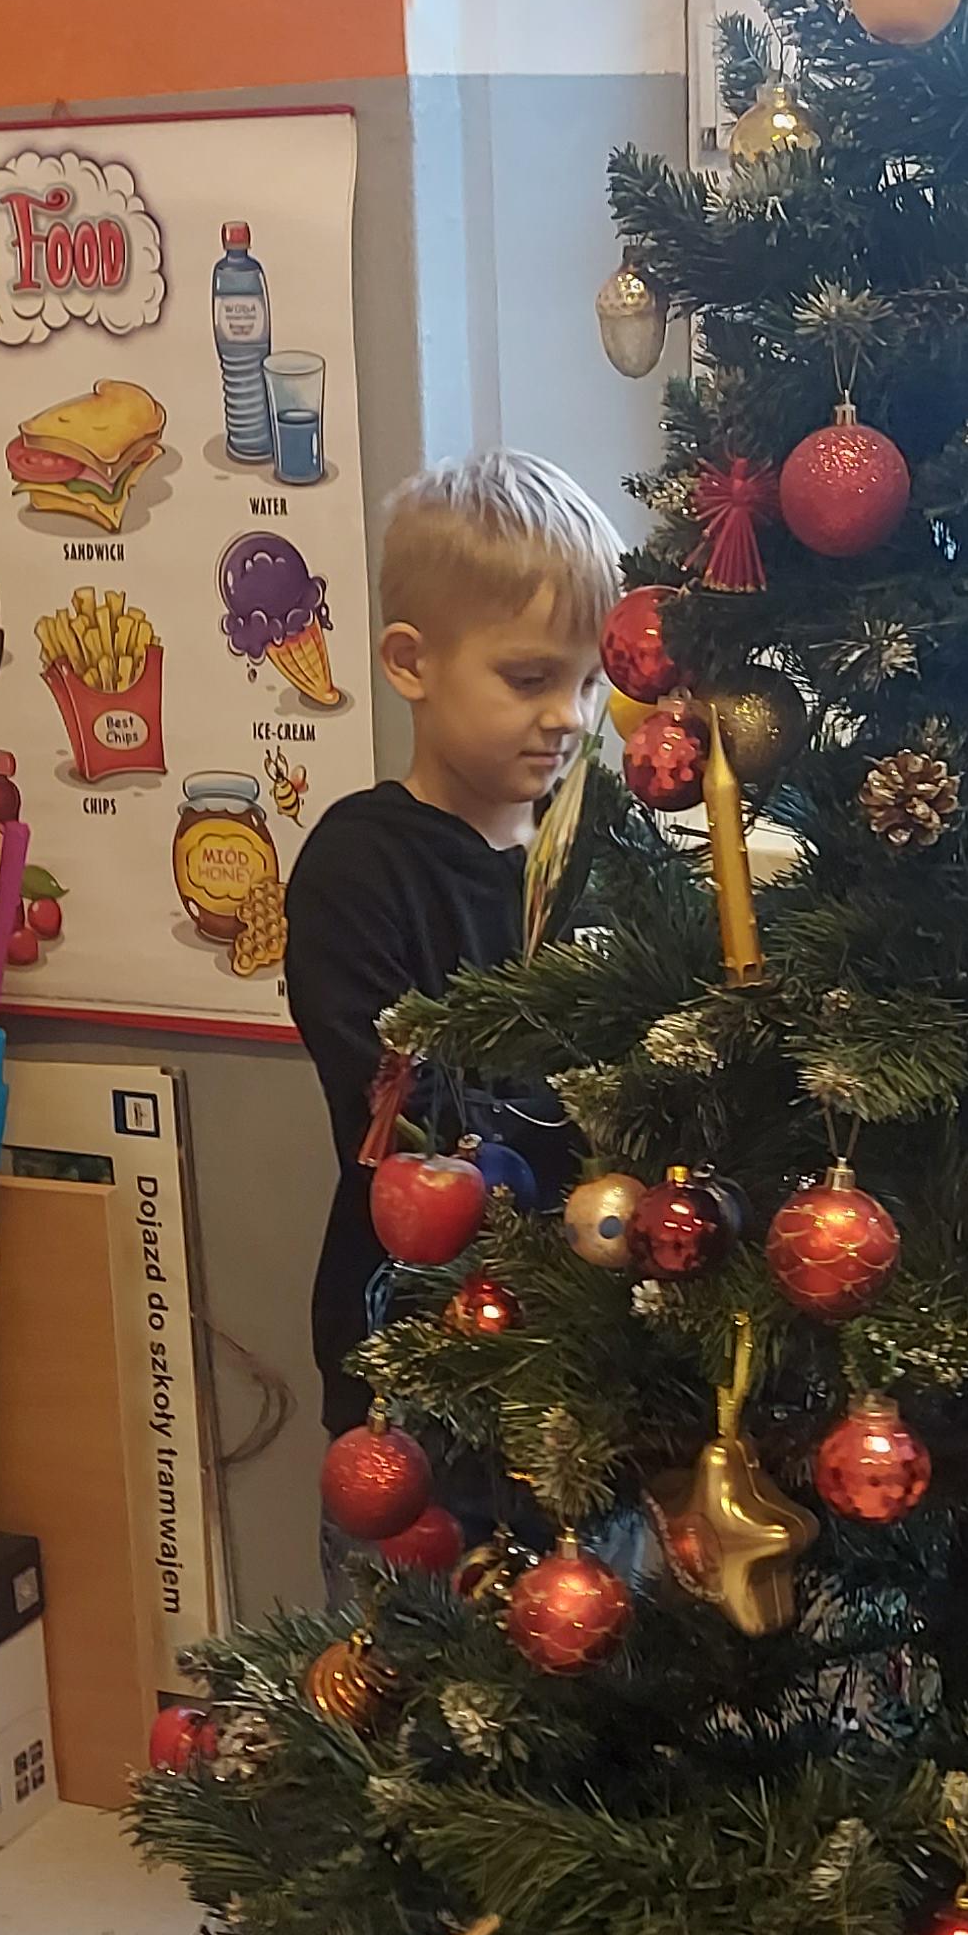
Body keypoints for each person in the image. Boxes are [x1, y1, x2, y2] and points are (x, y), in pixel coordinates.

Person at [283, 448, 621, 1451]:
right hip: (422, 1342)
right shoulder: (359, 867)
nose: (569, 717)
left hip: (598, 1334)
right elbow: (406, 1116)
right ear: (410, 663)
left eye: (591, 682)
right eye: (530, 678)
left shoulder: (599, 849)